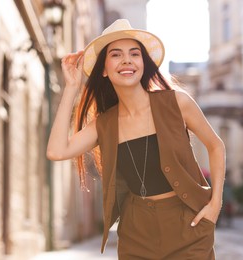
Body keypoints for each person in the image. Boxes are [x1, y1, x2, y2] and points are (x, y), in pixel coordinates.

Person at [47, 19, 225, 259]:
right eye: (116, 54)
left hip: (188, 227)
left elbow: (216, 146)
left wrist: (215, 204)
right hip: (136, 234)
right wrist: (71, 87)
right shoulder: (104, 124)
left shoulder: (177, 103)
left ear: (143, 63)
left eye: (134, 53)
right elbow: (57, 151)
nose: (127, 60)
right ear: (104, 69)